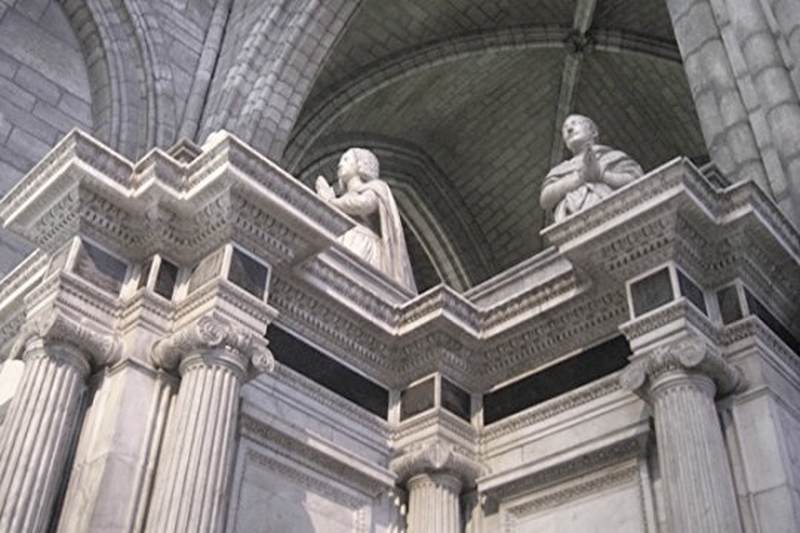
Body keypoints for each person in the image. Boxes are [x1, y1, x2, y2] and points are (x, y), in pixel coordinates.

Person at [316, 148, 418, 293]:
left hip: (364, 245)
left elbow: (365, 204)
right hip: (345, 239)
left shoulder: (374, 188)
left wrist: (331, 201)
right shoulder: (343, 197)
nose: (340, 164)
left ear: (361, 164)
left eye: (346, 160)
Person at [540, 114, 644, 223]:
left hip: (612, 215)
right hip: (572, 221)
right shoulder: (560, 169)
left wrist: (601, 175)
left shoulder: (612, 156)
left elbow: (636, 180)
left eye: (575, 123)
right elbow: (545, 199)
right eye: (565, 129)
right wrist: (580, 177)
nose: (569, 129)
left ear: (593, 132)